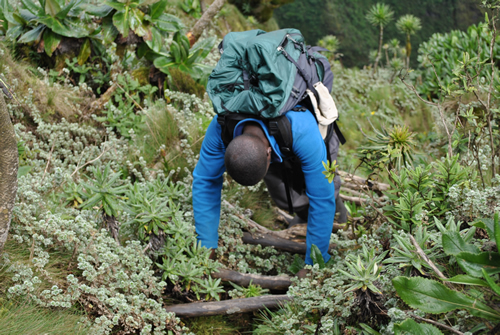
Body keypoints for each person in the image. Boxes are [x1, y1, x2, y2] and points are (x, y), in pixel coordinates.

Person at [192, 105, 341, 271]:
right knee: (286, 199)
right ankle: (303, 218)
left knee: (327, 188)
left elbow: (322, 198)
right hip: (277, 140)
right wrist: (206, 246)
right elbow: (205, 181)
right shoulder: (220, 129)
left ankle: (341, 224)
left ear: (268, 153)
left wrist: (314, 264)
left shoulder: (303, 131)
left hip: (316, 133)